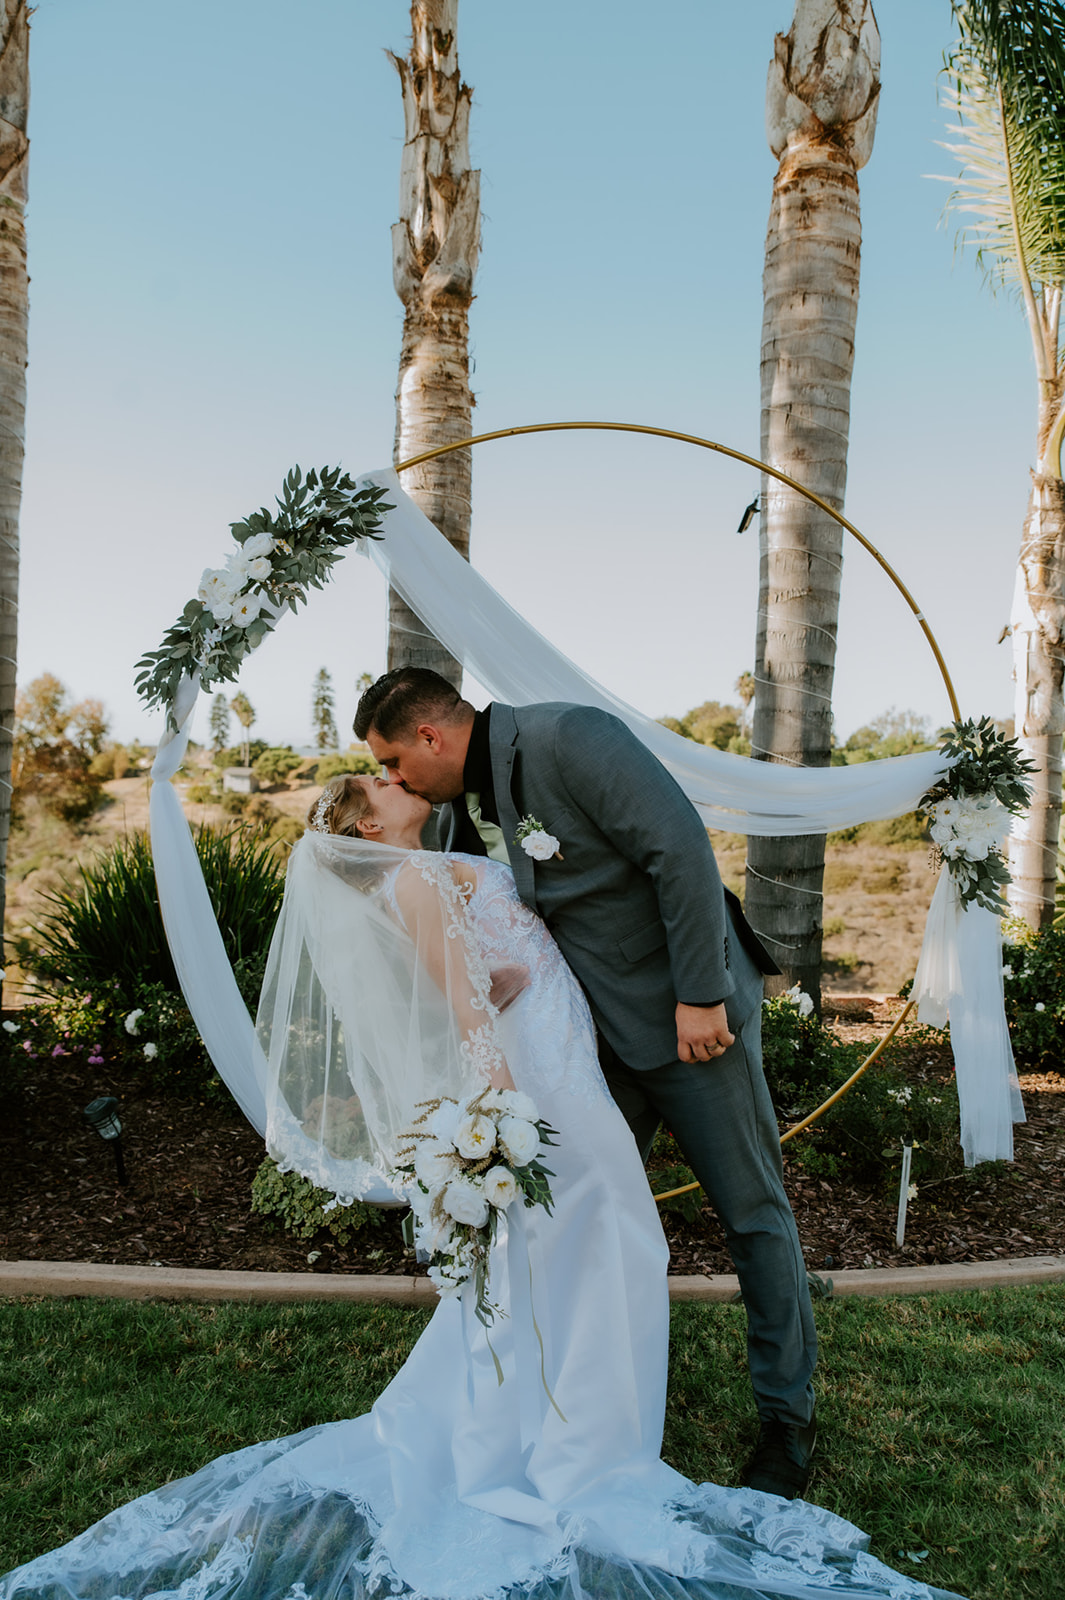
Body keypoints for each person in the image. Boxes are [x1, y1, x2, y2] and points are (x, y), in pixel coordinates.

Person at [0, 771, 959, 1600]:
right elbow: (464, 1005)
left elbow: (471, 979)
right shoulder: (415, 875)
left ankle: (574, 1423)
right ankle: (579, 1443)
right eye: (376, 783)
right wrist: (499, 1102)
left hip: (554, 1064)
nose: (392, 783)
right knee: (609, 1236)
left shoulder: (423, 869)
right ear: (366, 826)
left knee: (592, 1243)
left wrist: (512, 985)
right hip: (539, 1084)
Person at [353, 667, 818, 1500]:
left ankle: (787, 1424)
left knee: (750, 1214)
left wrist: (702, 995)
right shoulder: (460, 807)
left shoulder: (570, 738)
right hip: (590, 1045)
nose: (393, 781)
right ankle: (575, 1405)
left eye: (393, 761)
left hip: (686, 1026)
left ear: (430, 736)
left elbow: (676, 848)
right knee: (571, 1221)